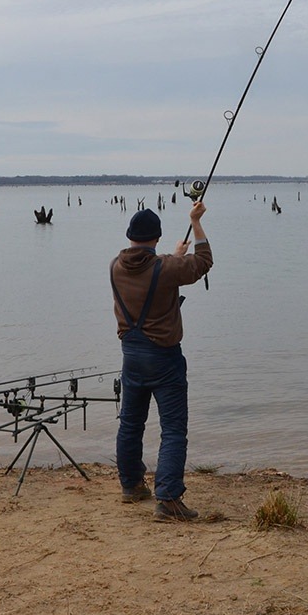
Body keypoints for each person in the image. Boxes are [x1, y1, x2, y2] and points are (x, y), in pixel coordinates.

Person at [110, 201, 213, 521]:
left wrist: (172, 257)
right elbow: (204, 261)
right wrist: (195, 222)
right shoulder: (165, 267)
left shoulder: (115, 265)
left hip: (131, 356)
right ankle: (167, 498)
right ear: (156, 238)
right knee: (173, 429)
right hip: (164, 358)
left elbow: (151, 271)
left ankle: (131, 485)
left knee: (130, 423)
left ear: (130, 237)